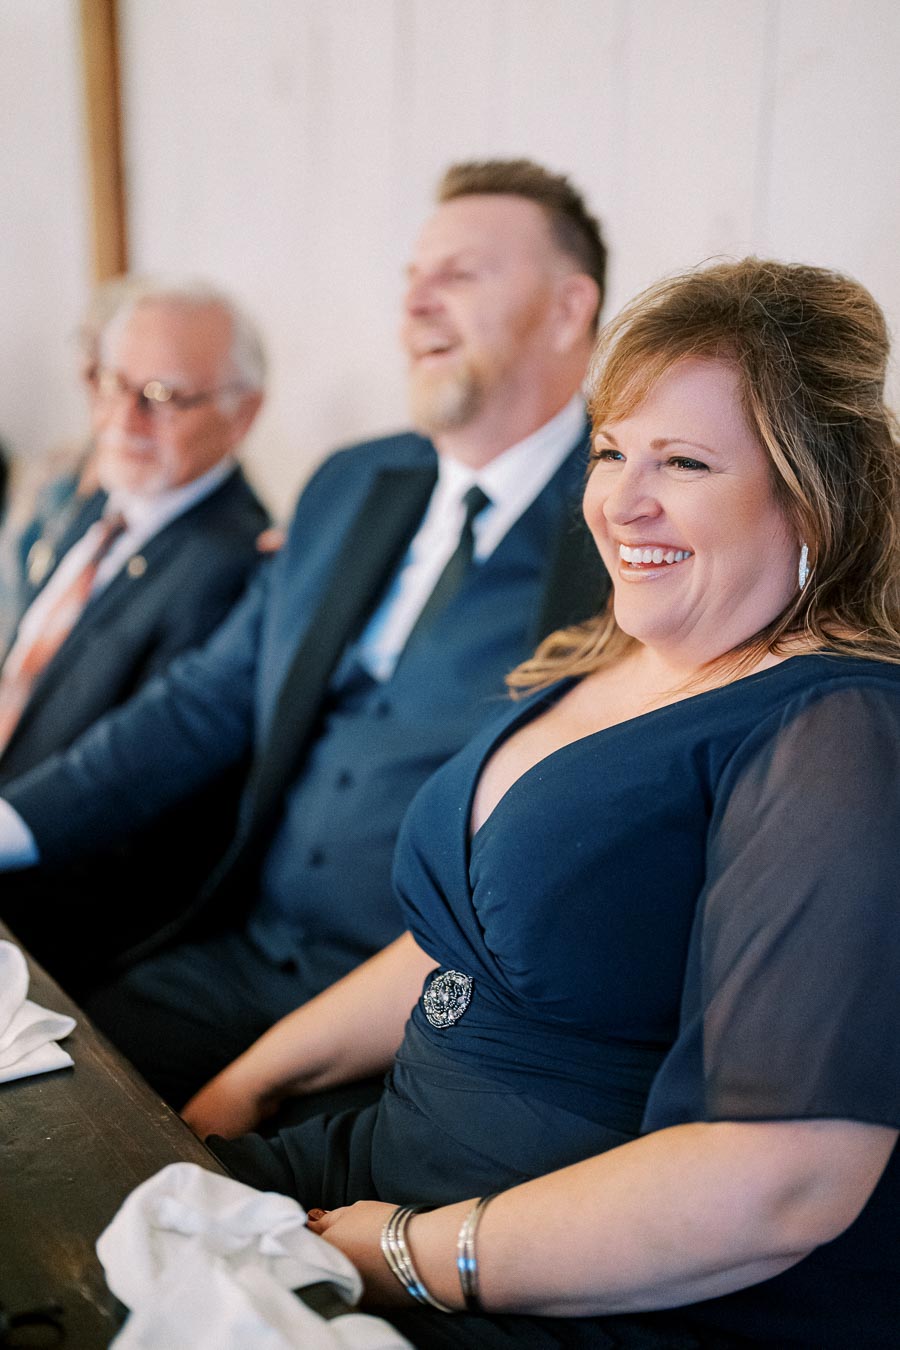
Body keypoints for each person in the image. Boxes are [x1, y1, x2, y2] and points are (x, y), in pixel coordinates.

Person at [190, 257, 900, 1349]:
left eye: (686, 462)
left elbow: (788, 1180)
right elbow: (461, 946)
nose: (622, 500)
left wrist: (414, 1259)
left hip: (565, 1277)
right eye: (611, 450)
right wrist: (238, 1089)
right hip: (383, 1165)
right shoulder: (614, 653)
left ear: (813, 492)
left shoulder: (835, 730)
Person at [0, 159, 610, 1097]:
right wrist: (10, 824)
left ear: (571, 310)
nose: (416, 305)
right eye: (411, 278)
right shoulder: (349, 484)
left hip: (438, 1015)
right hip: (240, 953)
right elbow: (204, 700)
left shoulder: (625, 530)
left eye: (460, 275)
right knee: (46, 1094)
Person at [0, 279, 270, 987]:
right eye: (115, 383)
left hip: (51, 908)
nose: (122, 418)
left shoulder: (234, 565)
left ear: (242, 415)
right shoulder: (101, 503)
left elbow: (137, 803)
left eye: (162, 396)